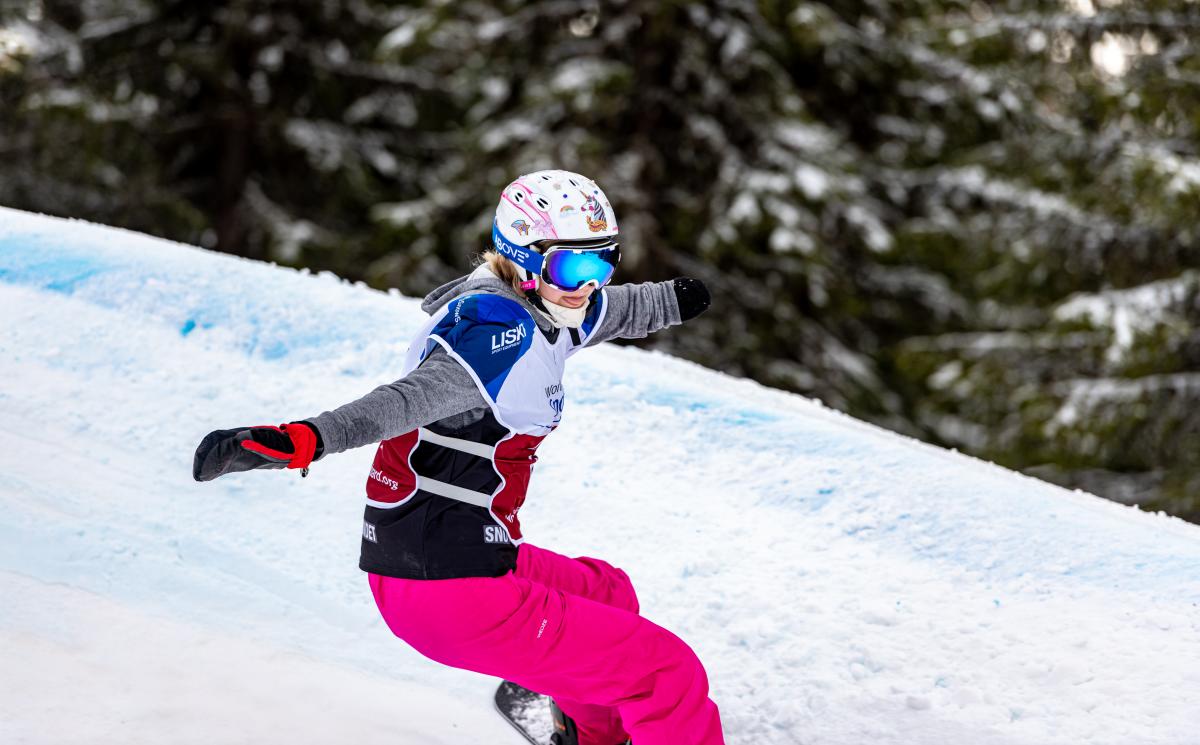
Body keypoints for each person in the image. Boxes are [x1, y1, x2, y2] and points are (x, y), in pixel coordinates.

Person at [193, 169, 724, 745]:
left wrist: (671, 299)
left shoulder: (546, 304)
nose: (589, 283)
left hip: (449, 562)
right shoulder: (494, 334)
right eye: (574, 267)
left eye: (603, 262)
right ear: (522, 255)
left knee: (607, 592)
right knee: (668, 673)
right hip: (452, 592)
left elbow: (609, 313)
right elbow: (405, 402)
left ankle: (589, 733)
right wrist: (307, 438)